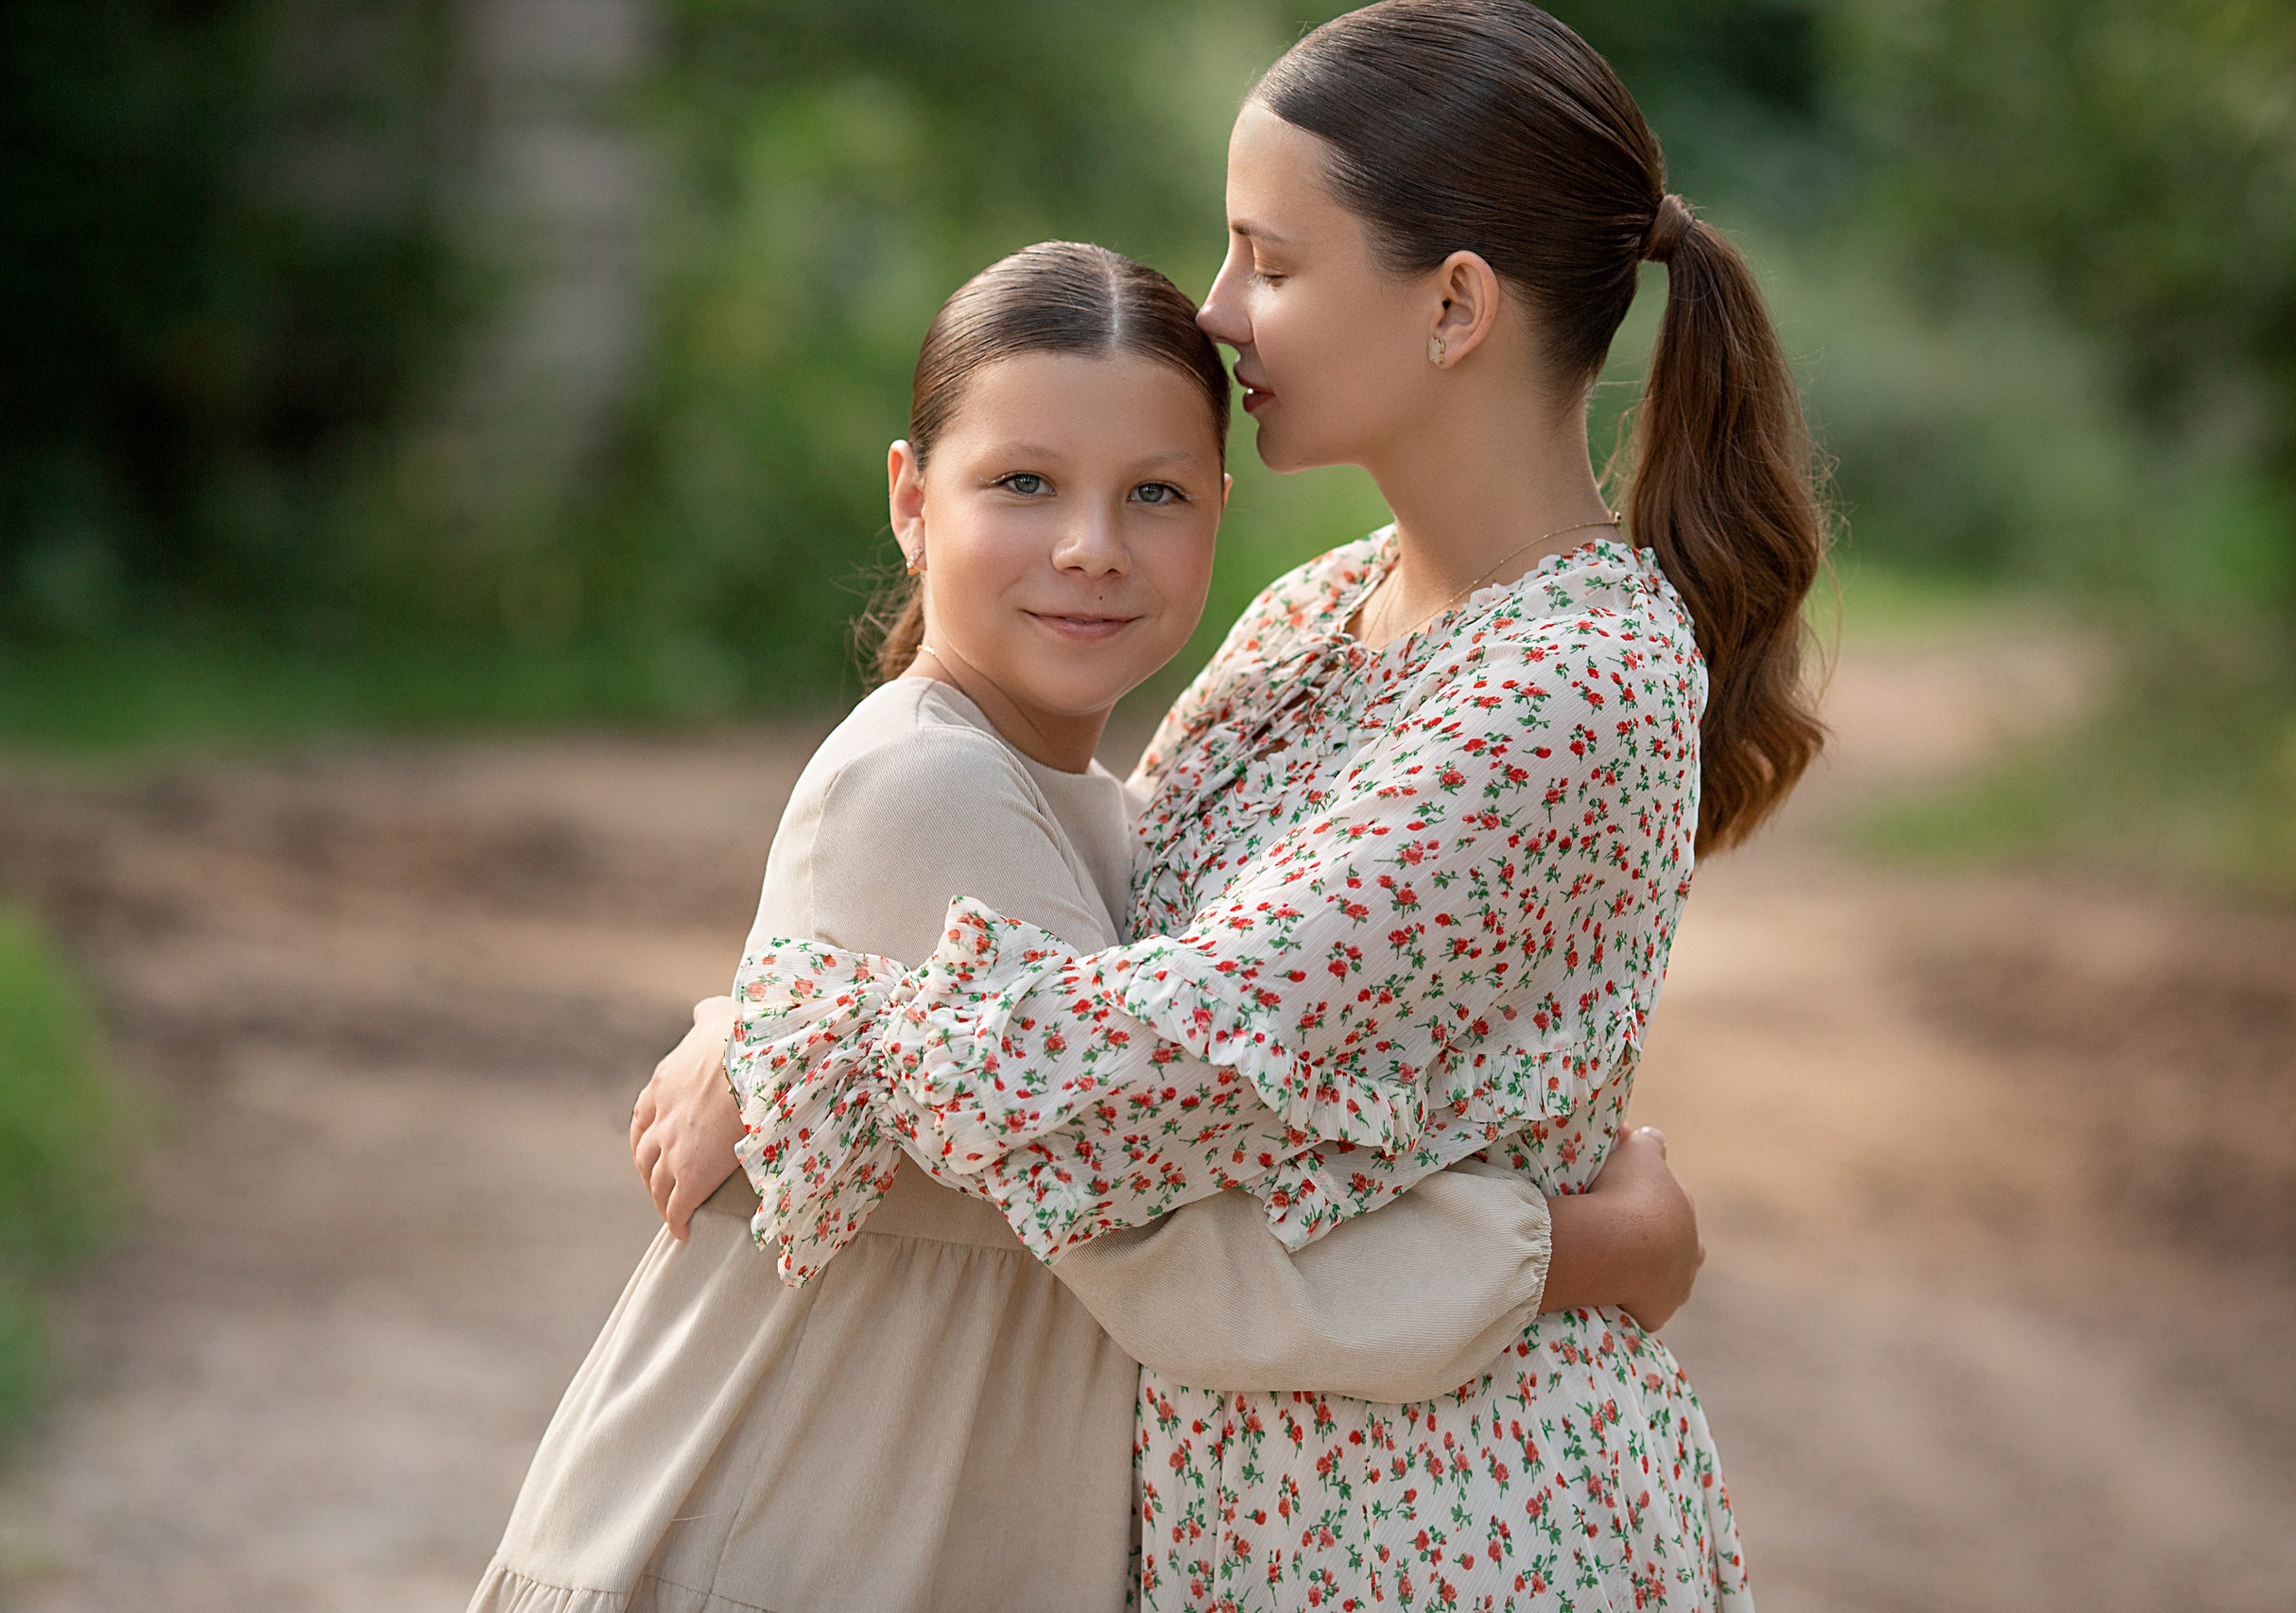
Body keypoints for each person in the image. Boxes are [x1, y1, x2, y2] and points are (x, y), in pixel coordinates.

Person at [644, 2, 1825, 1607]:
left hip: (1451, 1531)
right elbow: (1098, 955)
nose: (1217, 310)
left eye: (1270, 259)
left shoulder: (1574, 679)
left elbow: (1163, 1068)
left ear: (1455, 304)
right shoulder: (1309, 621)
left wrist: (795, 1034)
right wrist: (791, 1017)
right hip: (1237, 1521)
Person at [474, 241, 1705, 1613]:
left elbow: (1162, 1096)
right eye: (1022, 483)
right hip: (783, 1530)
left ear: (1218, 515)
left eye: (1156, 495)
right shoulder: (925, 783)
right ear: (909, 497)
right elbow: (1171, 1231)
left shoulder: (1121, 813)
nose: (1090, 547)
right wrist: (1582, 1250)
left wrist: (773, 1033)